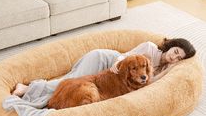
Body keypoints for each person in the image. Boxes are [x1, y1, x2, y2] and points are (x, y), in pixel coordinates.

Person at [12, 37, 196, 97]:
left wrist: (170, 69)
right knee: (72, 80)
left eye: (179, 57)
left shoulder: (162, 69)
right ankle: (29, 88)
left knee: (74, 85)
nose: (174, 57)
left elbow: (150, 82)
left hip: (110, 78)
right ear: (172, 45)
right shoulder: (149, 48)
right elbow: (125, 56)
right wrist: (116, 65)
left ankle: (38, 90)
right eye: (176, 51)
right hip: (106, 61)